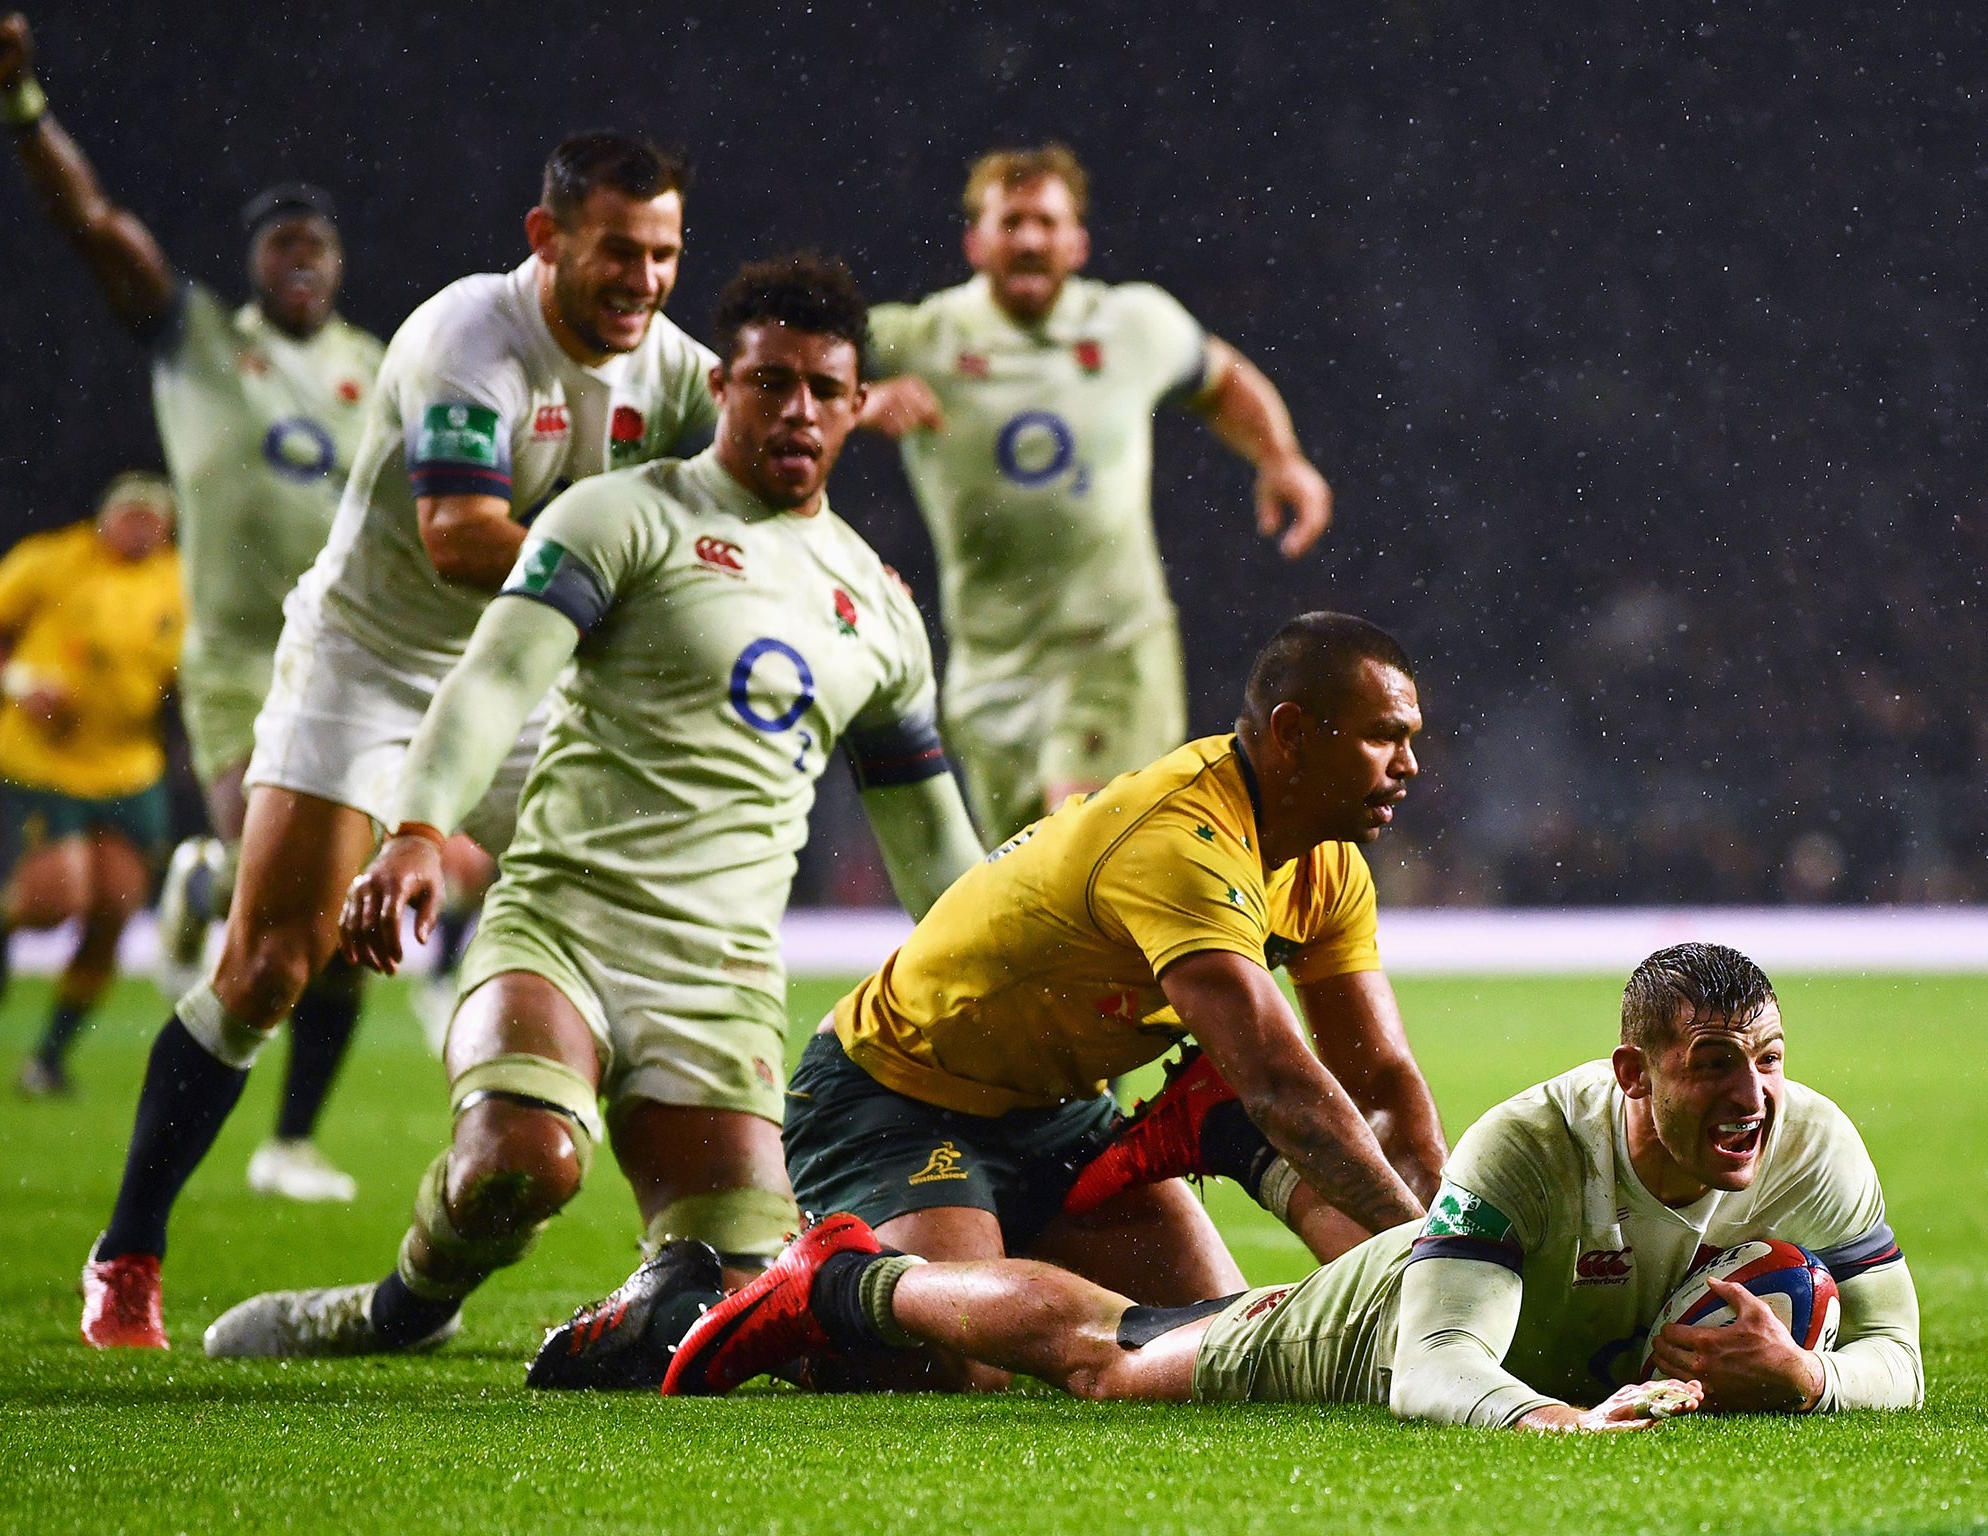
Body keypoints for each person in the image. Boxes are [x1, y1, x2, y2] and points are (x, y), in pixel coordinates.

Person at [199, 253, 985, 1367]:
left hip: (719, 980)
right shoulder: (616, 516)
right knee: (518, 1163)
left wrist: (1019, 970)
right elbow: (490, 682)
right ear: (722, 388)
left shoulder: (882, 612)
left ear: (858, 407)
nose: (795, 408)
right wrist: (419, 830)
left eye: (822, 388)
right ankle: (394, 1313)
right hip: (563, 925)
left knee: (757, 1314)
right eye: (769, 381)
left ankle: (632, 1318)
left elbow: (930, 844)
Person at [76, 130, 719, 1349]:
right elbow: (461, 536)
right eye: (618, 252)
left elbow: (753, 484)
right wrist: (652, 587)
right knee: (270, 965)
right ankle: (129, 1252)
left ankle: (683, 1248)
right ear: (547, 239)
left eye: (665, 253)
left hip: (516, 663)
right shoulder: (465, 339)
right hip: (364, 665)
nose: (643, 279)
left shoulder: (674, 366)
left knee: (650, 919)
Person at [632, 613, 1440, 1393]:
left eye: (1410, 738)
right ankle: (693, 1304)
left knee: (1204, 1336)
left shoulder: (1328, 871)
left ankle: (1202, 1127)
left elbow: (1380, 1084)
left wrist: (1454, 1234)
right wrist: (1433, 1262)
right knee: (954, 1367)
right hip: (895, 1098)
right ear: (1293, 733)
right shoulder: (1180, 841)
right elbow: (1282, 1087)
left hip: (1057, 1117)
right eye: (1384, 737)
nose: (1408, 764)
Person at [666, 942, 1923, 1427]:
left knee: (1155, 1325)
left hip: (1501, 1316)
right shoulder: (1535, 1143)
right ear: (1632, 1075)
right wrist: (1558, 1425)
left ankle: (1222, 1134)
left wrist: (1807, 1378)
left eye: (1765, 1062)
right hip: (1378, 1320)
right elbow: (1433, 1373)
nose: (1753, 1097)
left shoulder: (1811, 1143)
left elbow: (1900, 1364)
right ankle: (847, 1285)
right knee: (1109, 1356)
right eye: (1714, 1067)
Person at [0, 11, 389, 1201]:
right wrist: (24, 112)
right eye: (281, 245)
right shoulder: (200, 339)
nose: (300, 258)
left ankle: (293, 1137)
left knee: (339, 933)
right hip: (248, 667)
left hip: (368, 665)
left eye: (317, 245)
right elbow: (94, 227)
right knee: (285, 889)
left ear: (339, 264)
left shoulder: (379, 363)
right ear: (256, 263)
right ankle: (210, 879)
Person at [858, 143, 1336, 843]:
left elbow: (1222, 377)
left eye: (1046, 223)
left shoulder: (1132, 325)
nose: (1028, 238)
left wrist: (1280, 456)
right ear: (975, 241)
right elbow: (779, 370)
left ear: (1078, 242)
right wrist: (864, 399)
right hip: (989, 675)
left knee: (1082, 844)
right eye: (1011, 221)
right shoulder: (920, 338)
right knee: (1031, 903)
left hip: (1111, 649)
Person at [0, 474, 182, 1095]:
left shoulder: (179, 582)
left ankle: (47, 1060)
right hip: (42, 760)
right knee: (61, 898)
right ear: (105, 518)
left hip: (129, 767)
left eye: (153, 518)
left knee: (115, 911)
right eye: (131, 515)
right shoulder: (53, 559)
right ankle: (0, 923)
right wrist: (20, 683)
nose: (142, 528)